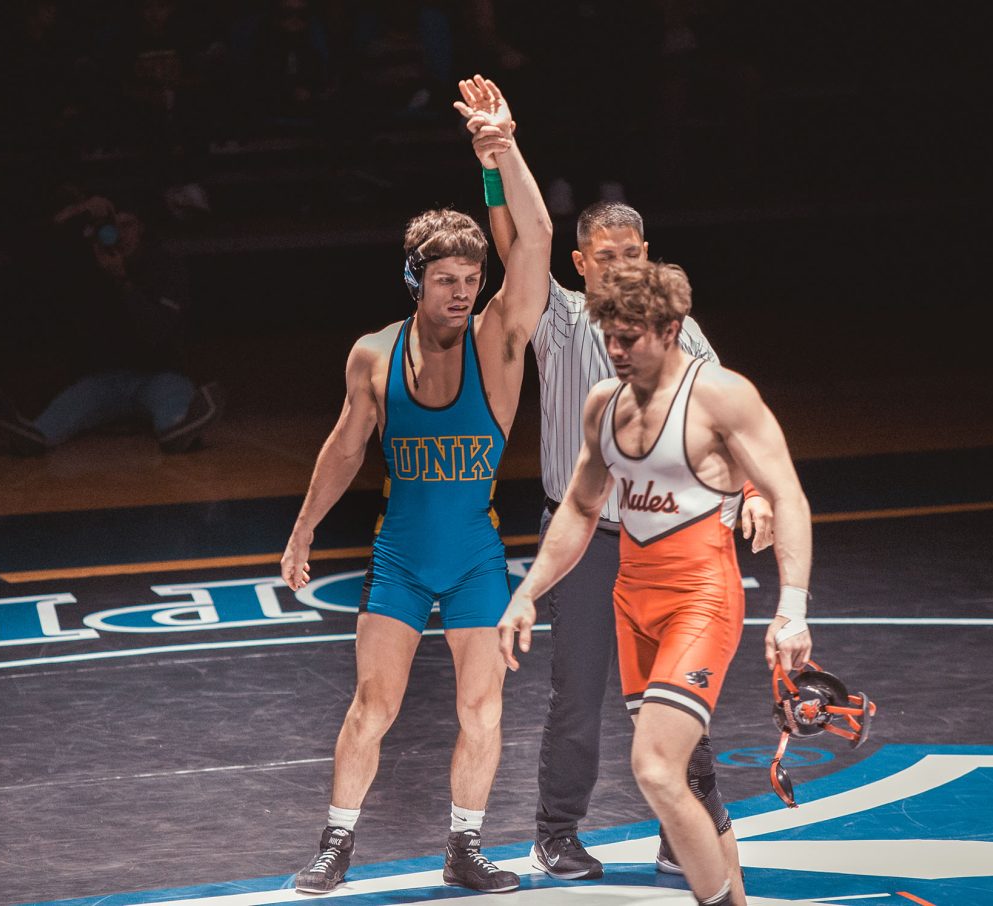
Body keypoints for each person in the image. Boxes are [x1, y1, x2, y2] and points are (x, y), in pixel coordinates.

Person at [466, 119, 770, 892]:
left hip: (672, 538)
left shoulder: (680, 331)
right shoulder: (559, 320)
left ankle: (683, 837)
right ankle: (555, 835)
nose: (623, 267)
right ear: (580, 264)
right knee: (579, 693)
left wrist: (759, 488)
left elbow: (731, 422)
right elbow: (518, 245)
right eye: (607, 257)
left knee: (679, 699)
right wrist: (498, 160)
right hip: (587, 537)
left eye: (634, 255)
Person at [279, 75, 550, 895]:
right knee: (373, 707)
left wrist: (502, 152)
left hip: (474, 554)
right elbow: (342, 447)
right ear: (415, 280)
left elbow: (533, 242)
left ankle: (465, 846)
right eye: (447, 281)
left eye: (472, 278)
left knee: (483, 712)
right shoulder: (373, 353)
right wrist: (301, 533)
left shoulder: (500, 339)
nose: (465, 291)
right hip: (398, 555)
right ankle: (336, 842)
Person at [498, 258, 813, 906]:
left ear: (671, 330)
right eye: (608, 337)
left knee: (653, 768)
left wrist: (793, 608)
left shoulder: (721, 396)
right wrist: (527, 593)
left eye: (629, 339)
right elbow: (581, 510)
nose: (614, 351)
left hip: (701, 598)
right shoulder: (603, 406)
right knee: (690, 781)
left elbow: (789, 494)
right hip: (632, 604)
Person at [0, 190, 223, 455]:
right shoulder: (83, 264)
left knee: (174, 405)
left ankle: (180, 431)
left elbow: (156, 331)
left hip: (160, 374)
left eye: (128, 225)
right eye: (113, 228)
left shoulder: (167, 266)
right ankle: (34, 436)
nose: (121, 235)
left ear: (141, 228)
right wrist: (74, 212)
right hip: (100, 380)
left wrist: (122, 282)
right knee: (53, 421)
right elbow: (21, 252)